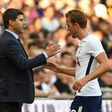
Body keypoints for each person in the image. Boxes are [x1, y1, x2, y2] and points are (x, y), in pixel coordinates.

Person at [46, 9, 110, 112]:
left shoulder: (91, 40)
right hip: (88, 95)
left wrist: (85, 79)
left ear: (76, 25)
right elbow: (81, 71)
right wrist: (59, 69)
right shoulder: (83, 42)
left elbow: (106, 65)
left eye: (68, 25)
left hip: (88, 96)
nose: (67, 29)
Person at [0, 8, 60, 112]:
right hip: (9, 97)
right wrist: (45, 55)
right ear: (11, 22)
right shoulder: (9, 41)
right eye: (21, 20)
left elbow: (20, 61)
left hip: (10, 96)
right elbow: (23, 64)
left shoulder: (9, 39)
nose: (24, 23)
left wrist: (43, 59)